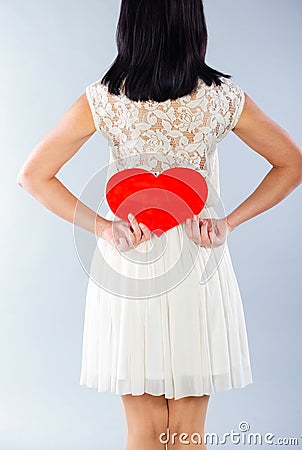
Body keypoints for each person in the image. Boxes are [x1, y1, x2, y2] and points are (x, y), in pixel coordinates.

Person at [16, 1, 302, 449]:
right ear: (193, 22)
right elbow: (292, 163)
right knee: (188, 434)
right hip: (198, 265)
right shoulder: (223, 97)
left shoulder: (104, 99)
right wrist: (227, 223)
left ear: (129, 24)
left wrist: (106, 229)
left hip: (130, 268)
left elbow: (32, 175)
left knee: (143, 433)